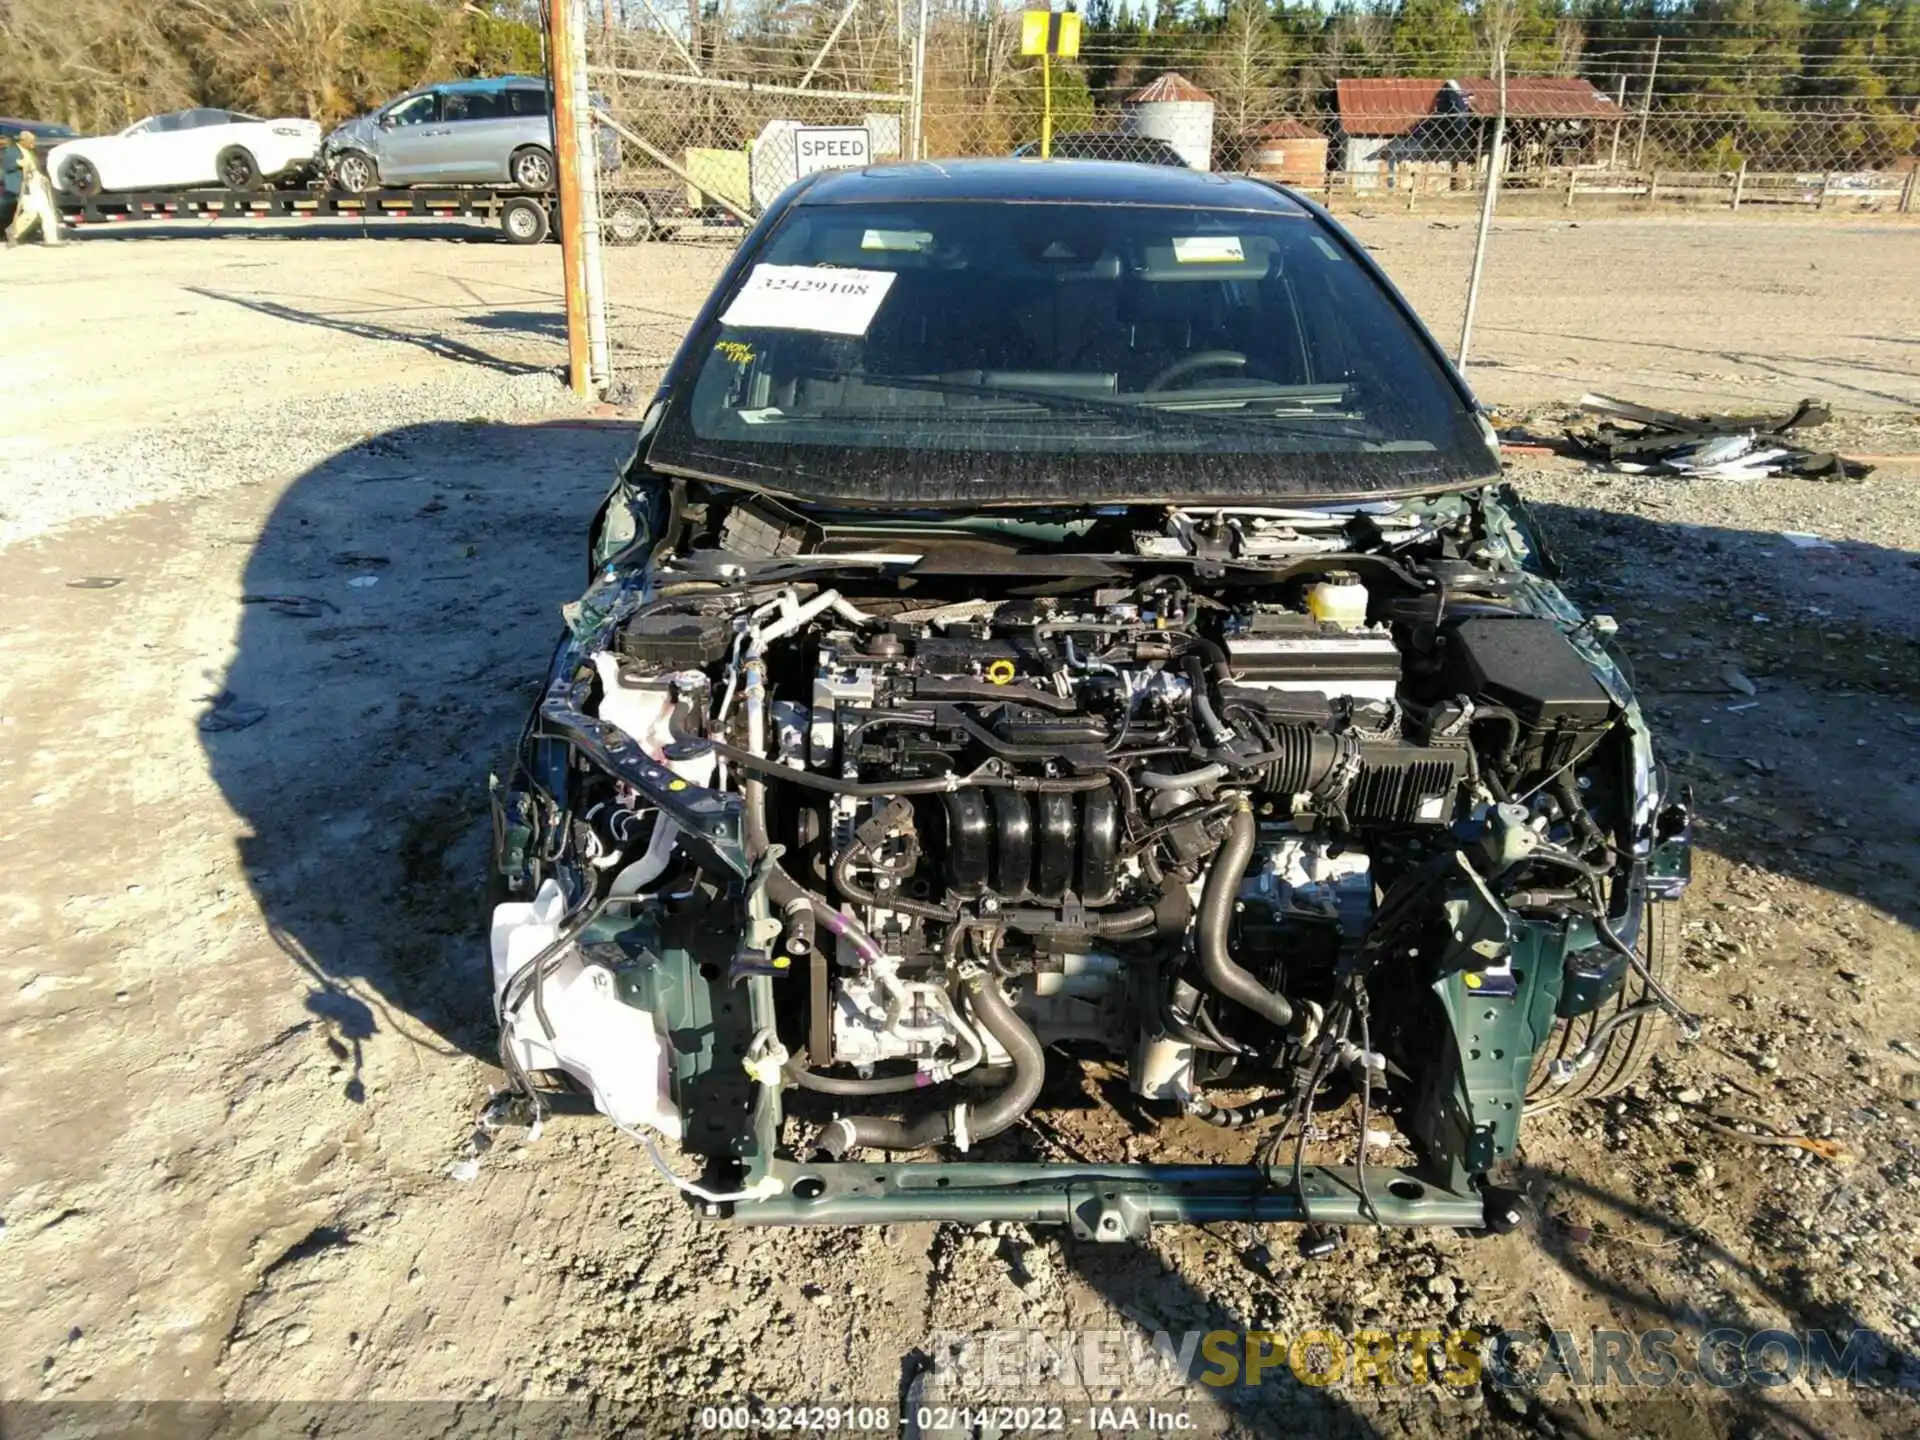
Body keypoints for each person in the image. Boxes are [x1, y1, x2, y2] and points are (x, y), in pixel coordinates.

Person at [5, 131, 62, 247]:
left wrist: (41, 177)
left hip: (36, 183)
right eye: (31, 141)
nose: (33, 144)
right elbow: (7, 166)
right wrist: (18, 163)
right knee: (31, 212)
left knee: (47, 211)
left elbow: (34, 168)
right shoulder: (12, 151)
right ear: (23, 141)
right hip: (26, 186)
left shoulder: (30, 152)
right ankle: (13, 231)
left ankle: (51, 239)